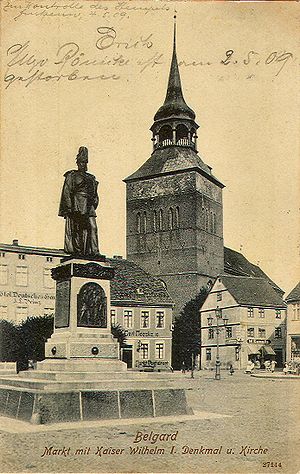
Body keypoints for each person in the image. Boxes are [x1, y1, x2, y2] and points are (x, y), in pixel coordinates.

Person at [59, 146, 100, 257]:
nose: (83, 165)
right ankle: (78, 251)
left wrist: (94, 202)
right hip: (77, 204)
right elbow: (67, 192)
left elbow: (95, 193)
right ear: (78, 163)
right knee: (77, 229)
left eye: (85, 163)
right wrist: (69, 207)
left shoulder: (91, 177)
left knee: (93, 227)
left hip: (89, 205)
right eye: (81, 162)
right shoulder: (72, 176)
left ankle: (94, 251)